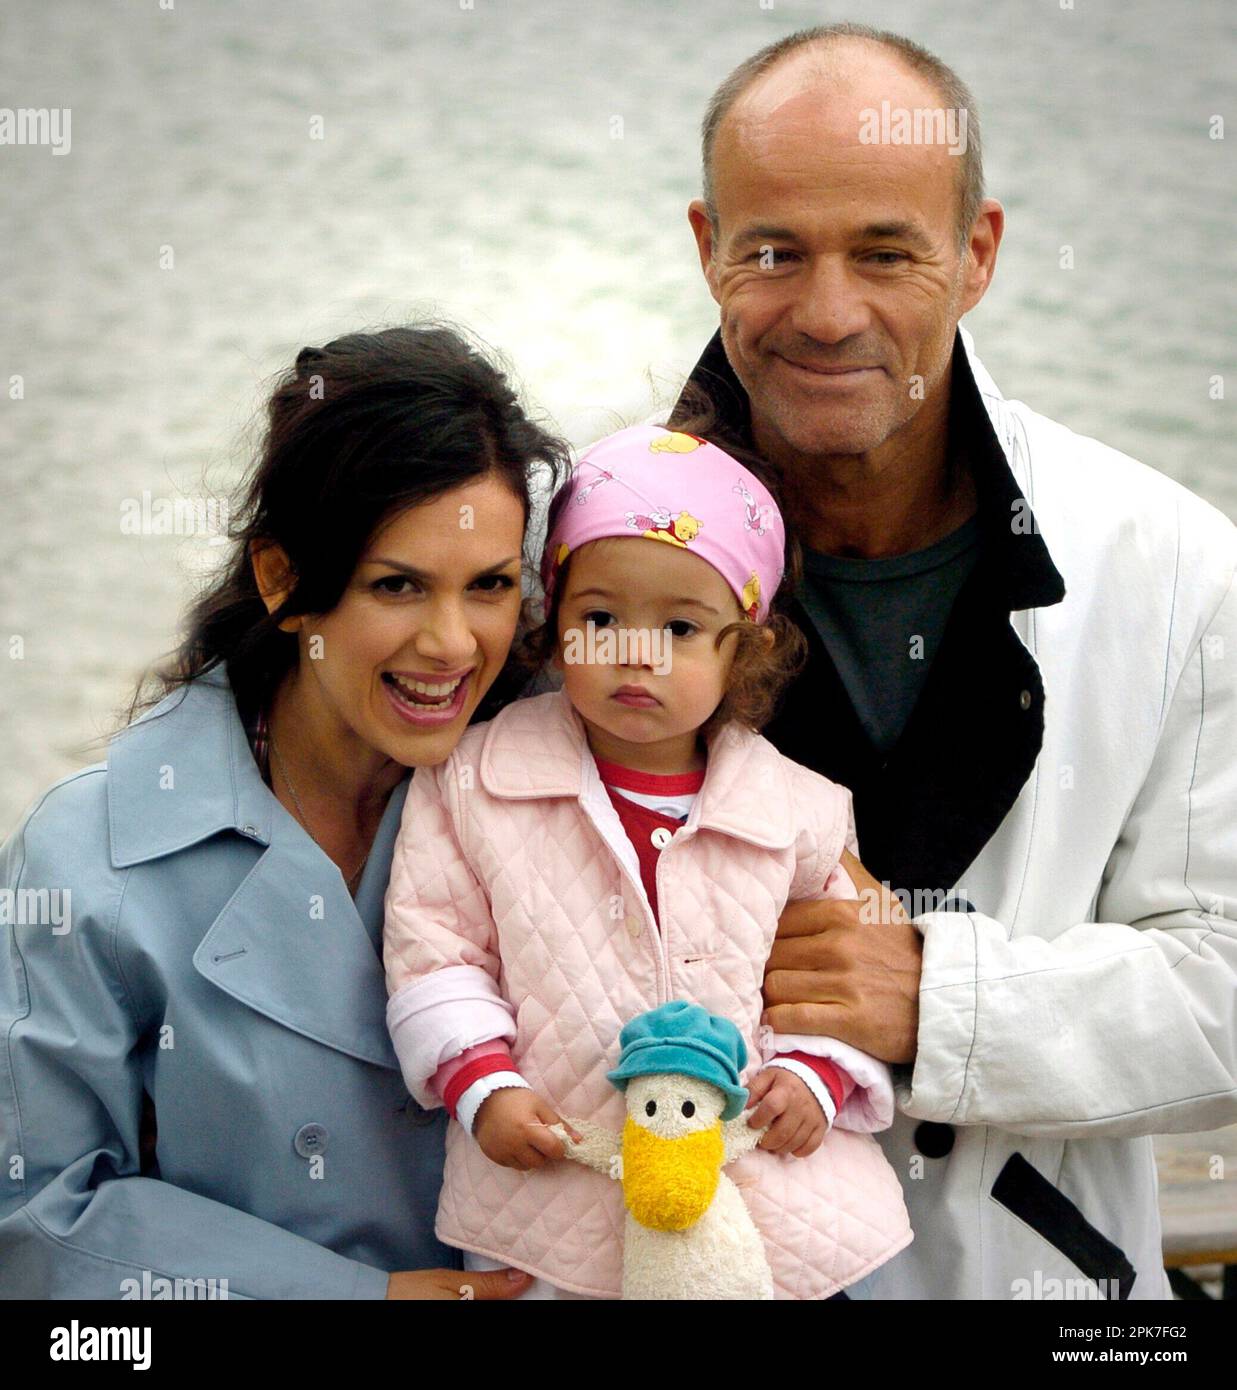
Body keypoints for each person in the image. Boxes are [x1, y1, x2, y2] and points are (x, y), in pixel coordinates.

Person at [662, 22, 1237, 1299]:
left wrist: (941, 1000)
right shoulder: (586, 552)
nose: (825, 311)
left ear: (975, 256)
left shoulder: (1177, 567)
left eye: (884, 252)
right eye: (772, 252)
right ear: (705, 248)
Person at [0, 324, 572, 1298]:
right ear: (282, 581)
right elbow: (38, 1223)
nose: (451, 643)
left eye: (489, 587)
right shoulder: (89, 861)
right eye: (396, 585)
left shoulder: (573, 803)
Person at [382, 423, 914, 1300]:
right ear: (554, 628)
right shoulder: (471, 781)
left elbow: (843, 979)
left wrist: (817, 1073)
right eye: (599, 619)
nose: (635, 651)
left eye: (679, 625)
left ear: (737, 650)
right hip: (558, 1188)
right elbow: (433, 951)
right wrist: (480, 1080)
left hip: (768, 1201)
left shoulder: (801, 812)